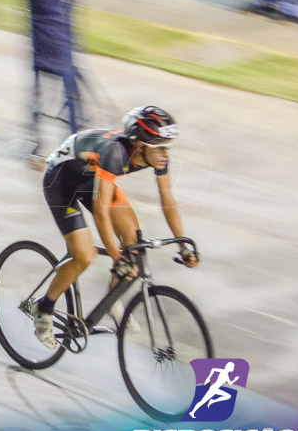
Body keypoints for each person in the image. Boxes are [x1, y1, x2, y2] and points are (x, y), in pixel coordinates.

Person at [31, 106, 196, 349]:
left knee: (133, 240)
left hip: (91, 178)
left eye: (168, 147)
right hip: (61, 180)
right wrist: (117, 258)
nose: (166, 155)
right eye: (161, 147)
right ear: (140, 145)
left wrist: (183, 243)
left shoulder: (156, 155)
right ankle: (43, 307)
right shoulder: (115, 154)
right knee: (84, 256)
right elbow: (100, 211)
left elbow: (167, 198)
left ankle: (112, 298)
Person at [10, 0, 82, 156]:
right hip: (62, 43)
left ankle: (37, 143)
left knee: (38, 94)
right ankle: (73, 143)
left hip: (39, 45)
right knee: (71, 98)